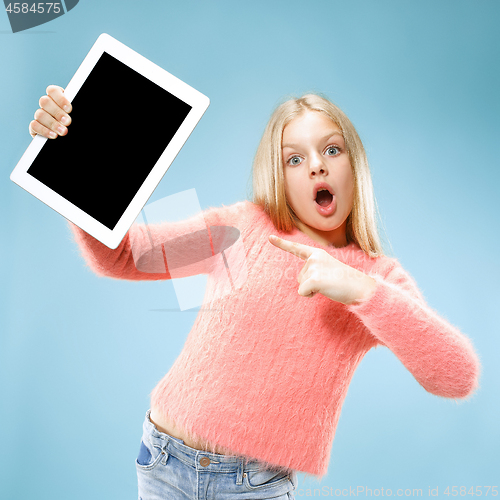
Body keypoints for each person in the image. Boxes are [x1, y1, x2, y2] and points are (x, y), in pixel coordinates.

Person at [29, 86, 481, 499]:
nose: (317, 164)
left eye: (331, 149)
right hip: (163, 462)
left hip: (254, 487)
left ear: (353, 164)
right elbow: (124, 256)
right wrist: (73, 164)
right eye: (294, 158)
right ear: (278, 175)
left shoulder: (377, 277)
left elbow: (458, 376)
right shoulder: (242, 225)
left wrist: (362, 290)